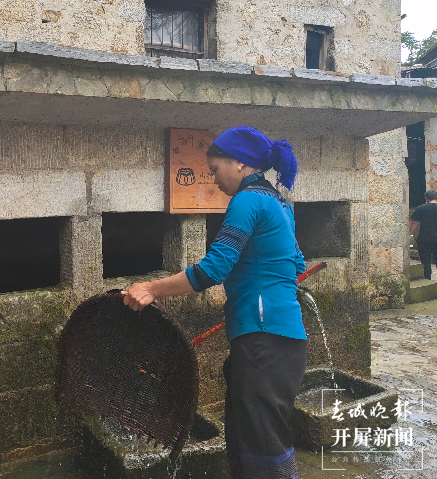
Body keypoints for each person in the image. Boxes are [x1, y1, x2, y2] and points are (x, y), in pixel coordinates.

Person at [122, 126, 306, 479]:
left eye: (215, 169)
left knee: (262, 442)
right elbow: (296, 265)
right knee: (248, 434)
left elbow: (214, 268)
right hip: (284, 341)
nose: (215, 179)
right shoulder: (280, 205)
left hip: (262, 339)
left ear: (239, 163)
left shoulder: (248, 201)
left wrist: (151, 289)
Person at [410, 190, 437, 280]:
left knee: (425, 261)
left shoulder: (420, 208)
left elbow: (414, 223)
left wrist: (410, 235)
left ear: (426, 198)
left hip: (424, 239)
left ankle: (427, 279)